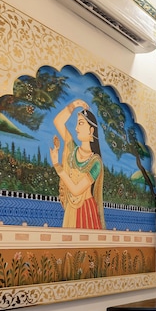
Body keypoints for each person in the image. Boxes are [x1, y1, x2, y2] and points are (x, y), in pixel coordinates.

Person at [50, 98, 105, 229]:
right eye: (77, 124)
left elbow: (76, 190)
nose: (76, 128)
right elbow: (58, 122)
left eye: (80, 123)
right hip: (71, 209)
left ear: (91, 130)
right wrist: (75, 104)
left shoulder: (96, 162)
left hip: (86, 211)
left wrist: (57, 166)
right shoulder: (72, 149)